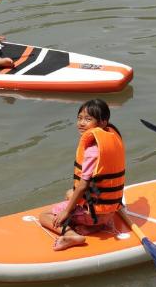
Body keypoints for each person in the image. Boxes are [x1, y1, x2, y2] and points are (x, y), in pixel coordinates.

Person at [39, 99, 126, 251]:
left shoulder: (92, 151)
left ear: (103, 122)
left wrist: (66, 213)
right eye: (79, 118)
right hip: (110, 210)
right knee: (69, 194)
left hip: (95, 214)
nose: (81, 123)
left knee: (44, 216)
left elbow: (83, 186)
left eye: (88, 119)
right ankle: (96, 226)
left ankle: (72, 235)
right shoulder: (110, 139)